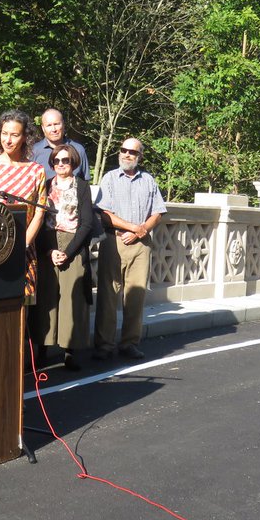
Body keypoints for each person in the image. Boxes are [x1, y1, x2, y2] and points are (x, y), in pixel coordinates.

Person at [0, 110, 47, 359]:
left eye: (14, 135)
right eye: (4, 134)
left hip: (23, 253)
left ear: (25, 137)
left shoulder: (36, 171)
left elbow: (39, 213)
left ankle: (16, 377)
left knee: (19, 317)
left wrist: (22, 247)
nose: (7, 140)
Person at [93, 138, 167, 361]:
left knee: (135, 295)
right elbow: (103, 213)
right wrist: (131, 227)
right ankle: (104, 345)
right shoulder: (110, 178)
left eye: (132, 152)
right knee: (108, 294)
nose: (126, 154)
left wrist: (141, 230)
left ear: (139, 156)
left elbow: (158, 212)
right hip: (113, 241)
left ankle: (129, 343)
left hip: (141, 245)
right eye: (123, 150)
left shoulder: (149, 181)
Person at [34, 145, 94, 371]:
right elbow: (39, 220)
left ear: (74, 162)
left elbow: (87, 223)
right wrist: (50, 251)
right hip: (49, 243)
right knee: (47, 299)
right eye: (57, 161)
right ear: (51, 163)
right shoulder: (45, 186)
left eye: (66, 161)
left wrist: (68, 253)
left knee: (71, 299)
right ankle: (43, 349)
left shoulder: (82, 187)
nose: (61, 164)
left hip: (73, 245)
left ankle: (70, 351)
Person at [32, 108, 90, 180]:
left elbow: (85, 182)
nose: (54, 129)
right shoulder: (34, 151)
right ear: (43, 128)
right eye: (49, 125)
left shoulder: (78, 150)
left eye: (56, 124)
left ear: (63, 125)